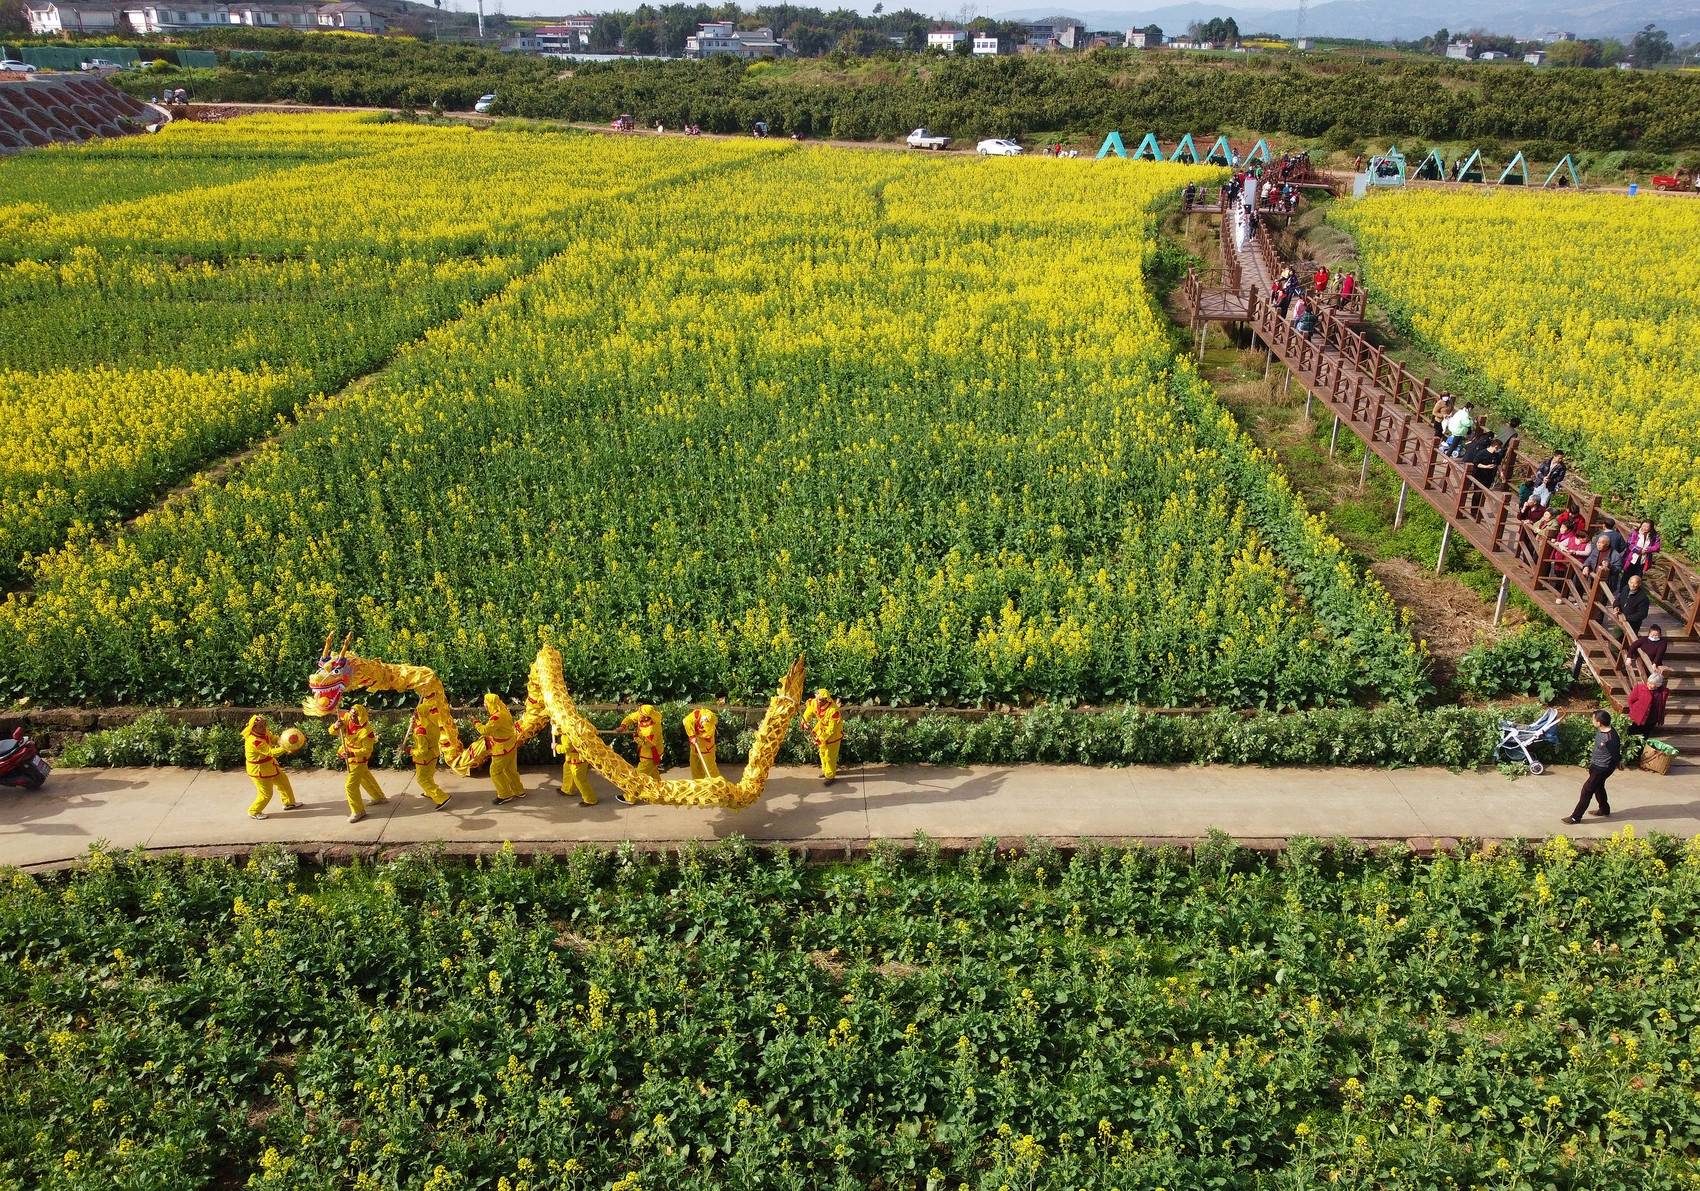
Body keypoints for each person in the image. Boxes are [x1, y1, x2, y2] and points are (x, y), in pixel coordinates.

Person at [330, 703, 387, 824]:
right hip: (348, 755)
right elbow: (332, 732)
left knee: (350, 786)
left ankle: (358, 811)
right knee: (364, 777)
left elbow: (367, 750)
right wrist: (335, 726)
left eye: (355, 715)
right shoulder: (345, 718)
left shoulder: (367, 731)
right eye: (351, 714)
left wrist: (352, 753)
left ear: (361, 716)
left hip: (358, 760)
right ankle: (378, 796)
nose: (352, 717)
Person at [1563, 709, 1619, 824]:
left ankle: (1575, 817)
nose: (1592, 721)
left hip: (1602, 768)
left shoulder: (1610, 737)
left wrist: (1619, 762)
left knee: (1587, 790)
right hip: (1596, 765)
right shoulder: (1603, 730)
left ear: (1599, 722)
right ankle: (1604, 809)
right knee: (1598, 787)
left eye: (1593, 719)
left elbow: (1616, 753)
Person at [243, 714, 300, 820]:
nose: (264, 727)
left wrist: (285, 740)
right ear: (253, 727)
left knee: (284, 782)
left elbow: (273, 739)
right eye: (260, 726)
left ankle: (289, 803)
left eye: (264, 725)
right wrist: (287, 747)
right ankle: (254, 811)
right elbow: (270, 752)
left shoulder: (264, 732)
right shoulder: (254, 741)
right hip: (259, 771)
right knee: (266, 794)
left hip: (270, 766)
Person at [401, 704, 452, 810]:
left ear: (420, 713)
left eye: (417, 712)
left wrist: (409, 750)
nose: (414, 713)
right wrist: (415, 723)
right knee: (428, 776)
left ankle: (441, 797)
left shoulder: (420, 730)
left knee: (422, 779)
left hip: (424, 758)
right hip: (433, 753)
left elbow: (422, 751)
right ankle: (429, 792)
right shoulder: (432, 722)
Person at [479, 693, 524, 805]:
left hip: (502, 749)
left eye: (486, 703)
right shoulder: (505, 710)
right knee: (511, 770)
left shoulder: (496, 717)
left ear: (490, 704)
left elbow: (485, 730)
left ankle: (505, 794)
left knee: (495, 771)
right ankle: (519, 791)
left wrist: (476, 723)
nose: (484, 705)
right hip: (511, 745)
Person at [616, 704, 665, 799]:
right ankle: (659, 792)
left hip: (650, 754)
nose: (639, 714)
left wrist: (636, 737)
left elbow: (649, 744)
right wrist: (623, 726)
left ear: (647, 716)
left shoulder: (652, 728)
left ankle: (629, 798)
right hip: (647, 753)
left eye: (641, 712)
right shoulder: (643, 715)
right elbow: (630, 717)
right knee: (653, 775)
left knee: (637, 777)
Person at [802, 688, 844, 786]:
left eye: (821, 699)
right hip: (821, 732)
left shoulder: (833, 711)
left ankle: (830, 776)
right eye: (818, 699)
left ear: (826, 699)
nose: (819, 701)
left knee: (829, 756)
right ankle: (826, 771)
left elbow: (831, 729)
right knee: (822, 753)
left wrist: (821, 739)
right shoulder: (814, 703)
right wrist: (805, 722)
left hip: (833, 736)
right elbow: (808, 712)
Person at [552, 723, 596, 806]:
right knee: (568, 771)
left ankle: (590, 799)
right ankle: (567, 789)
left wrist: (556, 747)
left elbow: (567, 748)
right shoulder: (567, 731)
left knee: (579, 779)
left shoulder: (569, 734)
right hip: (571, 758)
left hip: (578, 760)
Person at [683, 706, 720, 779]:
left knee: (710, 769)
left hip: (707, 749)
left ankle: (716, 785)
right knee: (695, 767)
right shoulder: (693, 717)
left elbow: (708, 733)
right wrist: (692, 735)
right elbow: (686, 721)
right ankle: (699, 783)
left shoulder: (710, 717)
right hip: (695, 747)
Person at [1623, 520, 1661, 584]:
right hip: (1632, 558)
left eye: (1647, 527)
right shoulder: (1635, 532)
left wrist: (1647, 550)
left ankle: (1634, 592)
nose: (1644, 528)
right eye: (1643, 526)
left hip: (1643, 560)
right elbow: (1630, 544)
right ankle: (1622, 590)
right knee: (1626, 575)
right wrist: (1639, 550)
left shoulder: (1654, 536)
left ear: (1651, 528)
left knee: (1638, 577)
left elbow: (1657, 547)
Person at [1614, 572, 1651, 636]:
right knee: (1615, 637)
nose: (1632, 585)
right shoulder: (1625, 589)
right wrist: (1616, 606)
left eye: (1635, 583)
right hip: (1620, 619)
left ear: (1639, 584)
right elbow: (1619, 599)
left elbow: (1643, 614)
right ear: (1628, 582)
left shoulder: (1643, 598)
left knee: (1629, 642)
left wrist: (1627, 618)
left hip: (1633, 624)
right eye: (1631, 582)